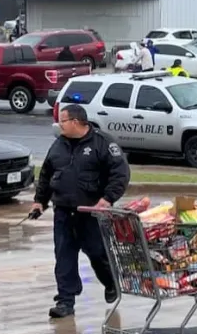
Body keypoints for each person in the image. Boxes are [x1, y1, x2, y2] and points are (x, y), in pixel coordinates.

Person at [30, 104, 130, 318]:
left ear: (75, 122)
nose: (59, 125)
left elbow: (120, 173)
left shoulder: (102, 143)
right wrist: (40, 201)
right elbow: (47, 174)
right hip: (64, 212)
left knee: (97, 253)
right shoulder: (59, 145)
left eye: (62, 121)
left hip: (91, 213)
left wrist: (107, 199)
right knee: (64, 256)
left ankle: (110, 281)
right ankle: (65, 301)